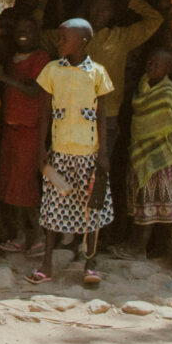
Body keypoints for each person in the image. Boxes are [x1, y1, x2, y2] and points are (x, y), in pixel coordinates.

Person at [31, 18, 114, 288]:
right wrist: (41, 147)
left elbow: (102, 116)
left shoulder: (98, 73)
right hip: (60, 152)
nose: (60, 42)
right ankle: (47, 263)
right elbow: (43, 113)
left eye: (65, 38)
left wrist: (102, 152)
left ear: (83, 42)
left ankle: (90, 262)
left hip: (89, 153)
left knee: (92, 210)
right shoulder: (51, 71)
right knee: (53, 208)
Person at [82, 0, 164, 247]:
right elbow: (42, 37)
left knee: (101, 175)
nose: (98, 13)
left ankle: (99, 235)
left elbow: (155, 20)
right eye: (94, 8)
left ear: (114, 12)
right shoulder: (75, 36)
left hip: (108, 118)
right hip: (75, 118)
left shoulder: (121, 37)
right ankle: (76, 233)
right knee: (77, 177)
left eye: (105, 8)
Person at [0, 12, 51, 254]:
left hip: (30, 131)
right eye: (19, 29)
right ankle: (18, 235)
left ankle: (38, 236)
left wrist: (4, 78)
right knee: (10, 185)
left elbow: (34, 91)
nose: (22, 34)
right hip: (11, 129)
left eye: (28, 28)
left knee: (25, 185)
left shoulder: (41, 58)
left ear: (37, 33)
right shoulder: (14, 58)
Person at [128, 46, 172, 258]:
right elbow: (141, 121)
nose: (151, 66)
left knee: (152, 204)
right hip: (142, 152)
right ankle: (142, 247)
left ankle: (141, 249)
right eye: (150, 62)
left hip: (160, 157)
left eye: (158, 64)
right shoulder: (143, 85)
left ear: (169, 69)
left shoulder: (168, 93)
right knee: (142, 202)